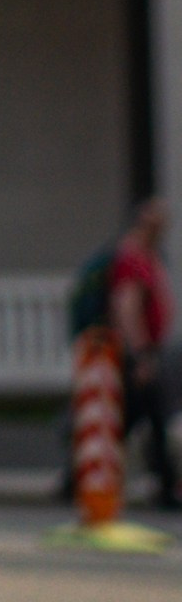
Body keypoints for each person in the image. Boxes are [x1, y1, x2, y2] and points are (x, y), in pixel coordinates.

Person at [109, 196, 176, 509]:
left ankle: (77, 477)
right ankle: (165, 487)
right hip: (140, 354)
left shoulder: (149, 256)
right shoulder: (133, 256)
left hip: (147, 351)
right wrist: (140, 356)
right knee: (148, 418)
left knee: (132, 419)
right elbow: (127, 308)